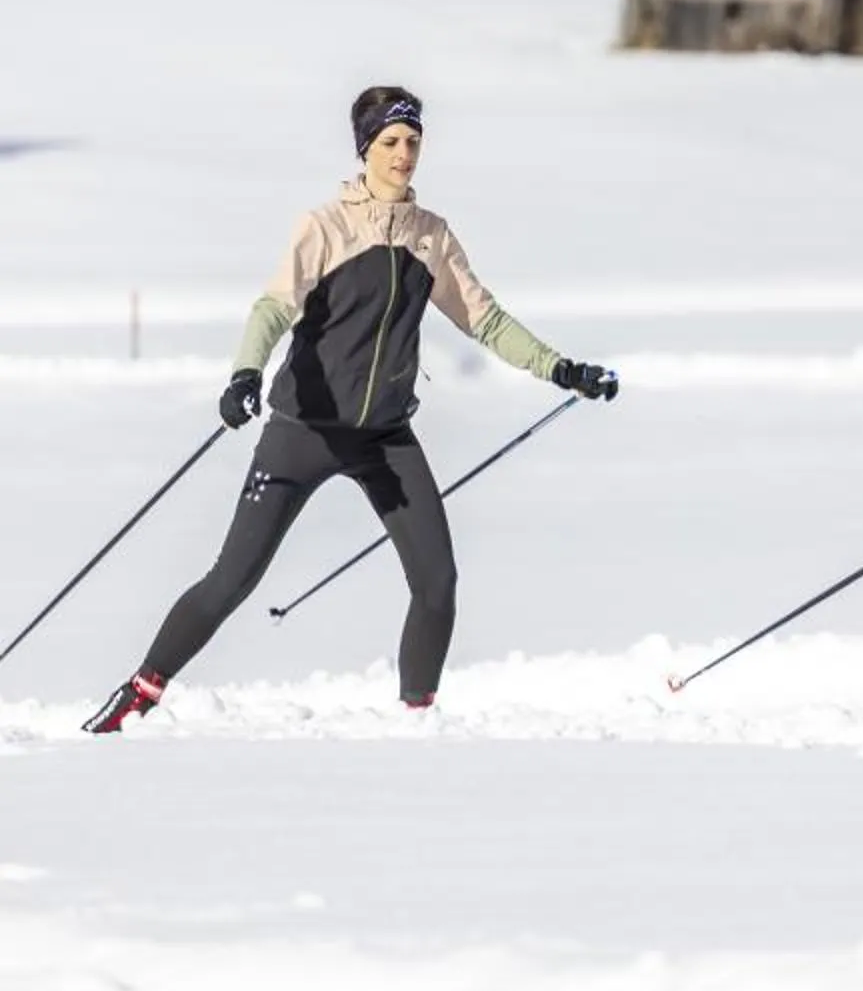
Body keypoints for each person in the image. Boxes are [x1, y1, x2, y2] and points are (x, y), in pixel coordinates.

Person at [85, 86, 619, 732]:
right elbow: (273, 308)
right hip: (304, 430)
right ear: (365, 148)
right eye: (391, 143)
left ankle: (416, 719)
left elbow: (486, 319)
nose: (404, 155)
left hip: (385, 437)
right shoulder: (326, 227)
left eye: (413, 142)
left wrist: (560, 368)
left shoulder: (431, 237)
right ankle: (139, 693)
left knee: (438, 583)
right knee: (232, 578)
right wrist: (245, 374)